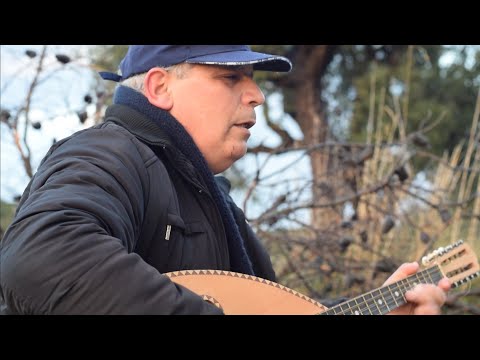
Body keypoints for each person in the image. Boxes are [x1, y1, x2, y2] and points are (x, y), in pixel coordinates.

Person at [0, 45, 450, 315]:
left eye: (251, 80)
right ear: (160, 89)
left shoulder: (209, 198)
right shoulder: (110, 152)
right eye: (230, 77)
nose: (255, 96)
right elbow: (42, 259)